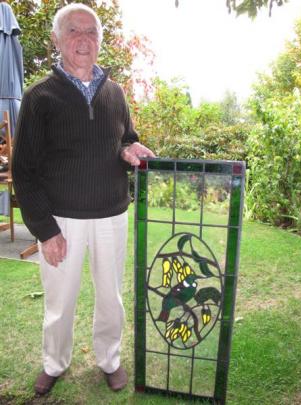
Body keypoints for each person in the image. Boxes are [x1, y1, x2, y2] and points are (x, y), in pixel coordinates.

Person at [12, 3, 154, 396]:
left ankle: (109, 359)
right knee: (60, 301)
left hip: (111, 213)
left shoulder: (115, 93)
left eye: (91, 32)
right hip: (62, 219)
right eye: (74, 31)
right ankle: (55, 363)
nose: (83, 39)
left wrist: (130, 151)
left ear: (99, 42)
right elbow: (24, 170)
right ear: (57, 40)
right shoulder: (39, 97)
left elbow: (125, 138)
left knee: (112, 295)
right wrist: (44, 230)